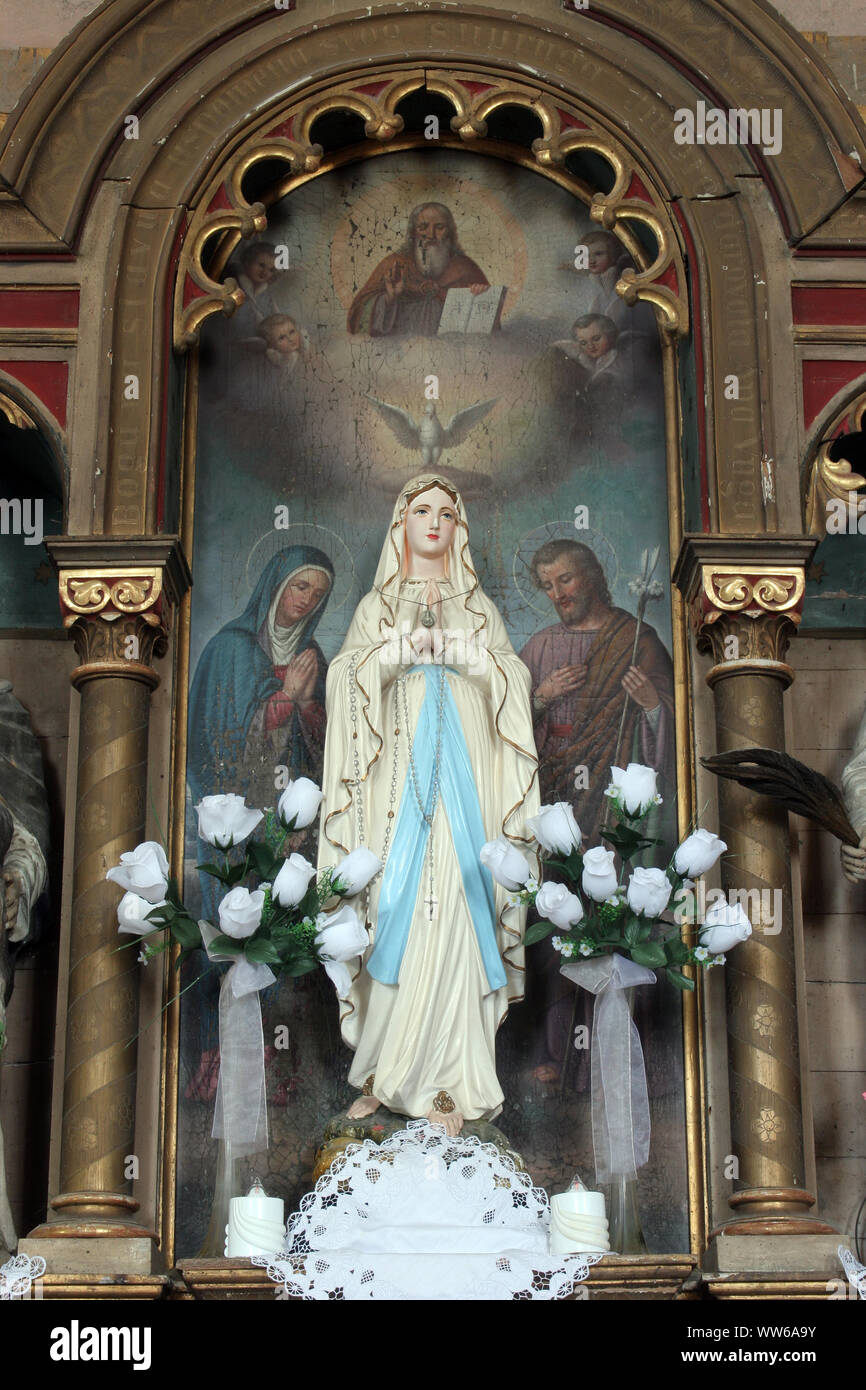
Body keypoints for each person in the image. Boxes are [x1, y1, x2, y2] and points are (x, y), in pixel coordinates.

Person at [318, 474, 539, 1134]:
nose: (435, 522)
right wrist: (397, 653)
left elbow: (513, 683)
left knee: (465, 913)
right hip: (395, 795)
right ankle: (386, 1073)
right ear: (401, 524)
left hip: (468, 791)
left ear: (460, 527)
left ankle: (459, 1084)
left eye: (447, 511)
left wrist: (468, 656)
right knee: (395, 909)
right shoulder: (375, 609)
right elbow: (345, 682)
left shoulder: (480, 610)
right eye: (422, 510)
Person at [518, 539, 675, 1084]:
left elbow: (672, 730)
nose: (557, 594)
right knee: (556, 922)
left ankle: (607, 1062)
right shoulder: (538, 647)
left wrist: (652, 704)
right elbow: (500, 735)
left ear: (591, 578)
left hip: (611, 808)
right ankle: (556, 1055)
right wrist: (537, 698)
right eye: (547, 585)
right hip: (553, 800)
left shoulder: (637, 640)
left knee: (610, 919)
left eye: (566, 580)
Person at [185, 548, 334, 1104]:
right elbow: (216, 740)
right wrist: (282, 702)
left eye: (318, 594)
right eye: (300, 586)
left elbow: (323, 742)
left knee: (288, 938)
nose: (306, 601)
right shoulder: (230, 649)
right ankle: (219, 1072)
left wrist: (308, 708)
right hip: (232, 826)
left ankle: (277, 1075)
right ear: (274, 584)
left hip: (288, 826)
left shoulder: (312, 653)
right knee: (231, 934)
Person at [347, 203, 489, 337]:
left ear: (450, 233)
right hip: (399, 355)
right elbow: (358, 314)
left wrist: (480, 295)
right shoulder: (394, 265)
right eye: (423, 227)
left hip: (450, 353)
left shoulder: (465, 268)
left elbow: (488, 329)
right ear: (413, 232)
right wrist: (389, 299)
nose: (431, 234)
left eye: (439, 227)